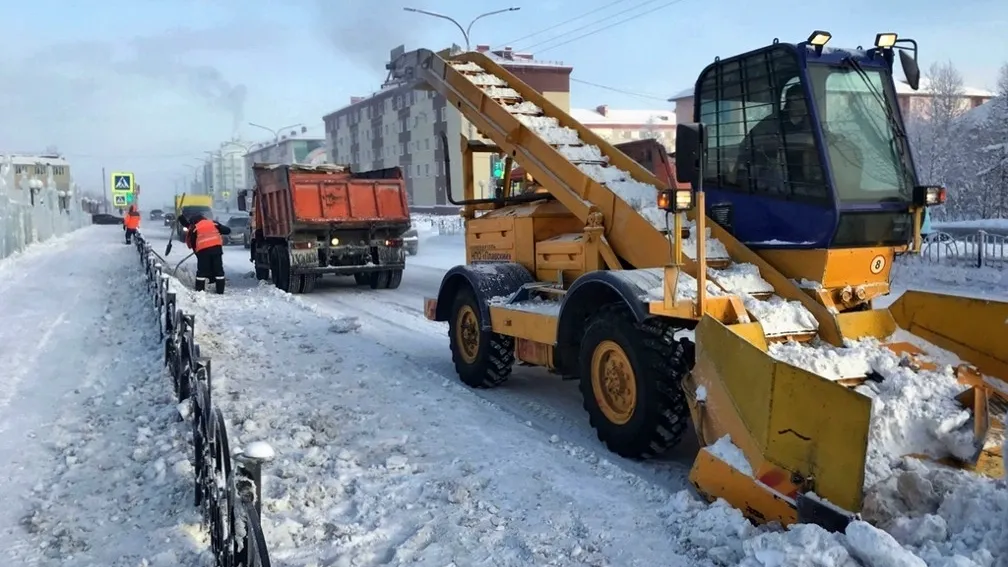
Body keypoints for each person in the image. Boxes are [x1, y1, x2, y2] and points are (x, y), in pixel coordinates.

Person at [181, 213, 231, 294]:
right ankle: (220, 290)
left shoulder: (195, 227)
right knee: (219, 271)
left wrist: (196, 252)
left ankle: (200, 290)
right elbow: (227, 230)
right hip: (216, 250)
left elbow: (190, 243)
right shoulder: (213, 223)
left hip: (203, 251)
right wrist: (218, 231)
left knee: (202, 272)